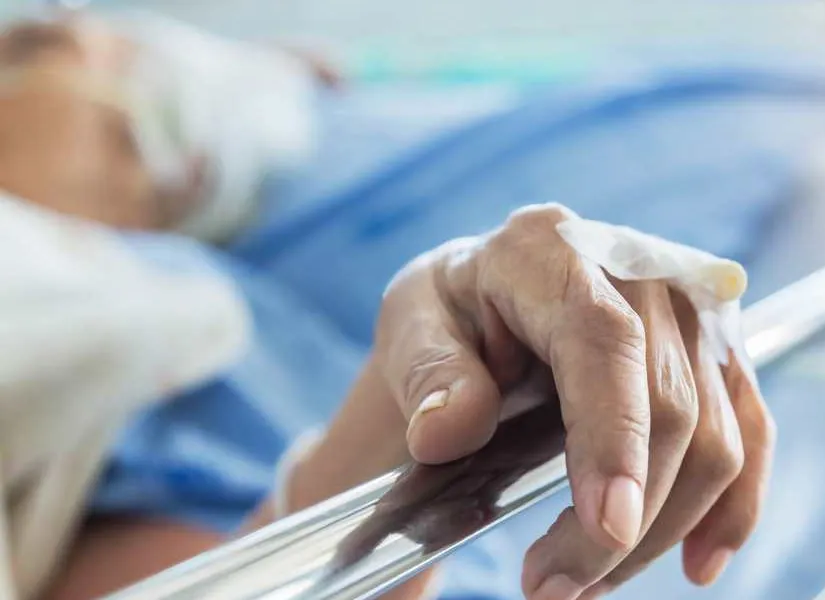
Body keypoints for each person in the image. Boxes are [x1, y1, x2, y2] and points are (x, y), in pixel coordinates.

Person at [0, 11, 776, 600]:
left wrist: (432, 364)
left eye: (123, 136)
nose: (49, 51)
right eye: (30, 44)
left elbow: (217, 569)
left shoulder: (174, 314)